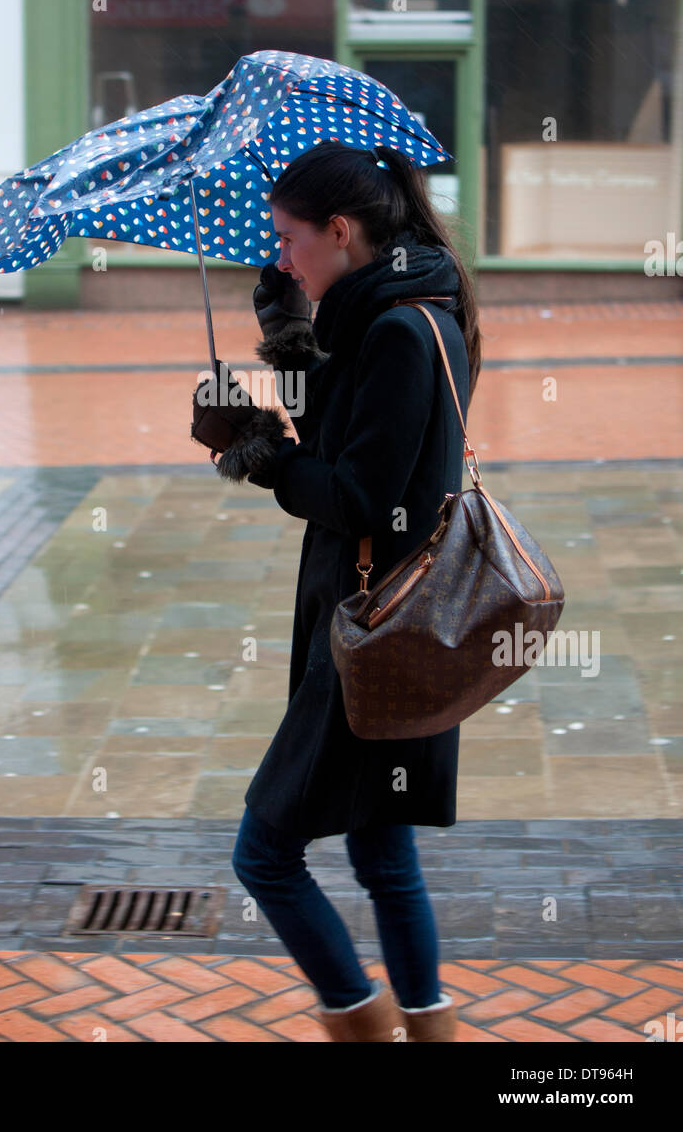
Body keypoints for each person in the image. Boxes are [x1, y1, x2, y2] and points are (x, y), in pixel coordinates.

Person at [190, 140, 482, 1042]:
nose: (280, 254)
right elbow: (345, 429)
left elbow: (356, 492)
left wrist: (259, 454)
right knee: (380, 846)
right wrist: (284, 338)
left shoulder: (398, 329)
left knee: (265, 853)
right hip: (386, 625)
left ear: (340, 231)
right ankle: (427, 1029)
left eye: (288, 240)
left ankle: (360, 1022)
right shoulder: (392, 310)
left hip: (372, 633)